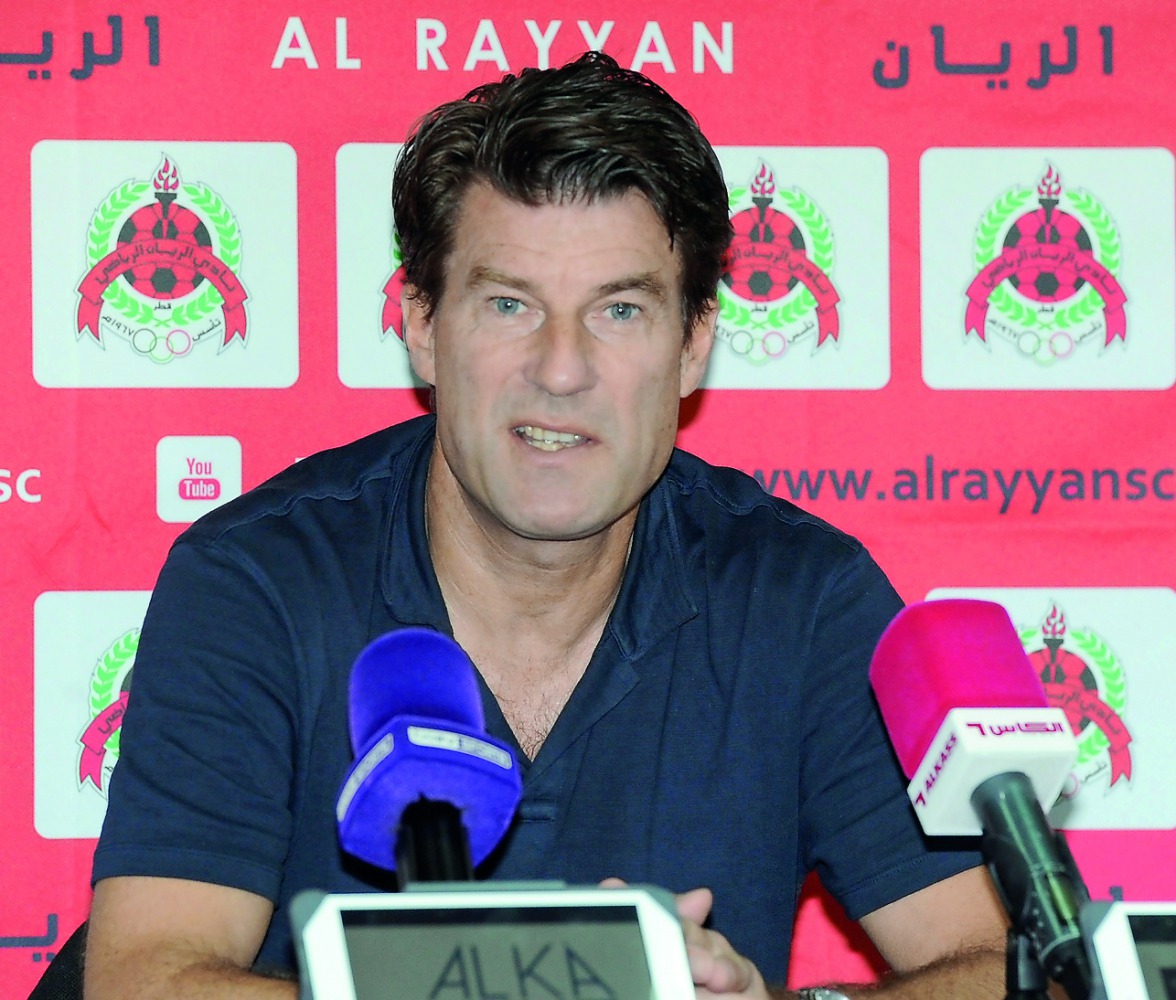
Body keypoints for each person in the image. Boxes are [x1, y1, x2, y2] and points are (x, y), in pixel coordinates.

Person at [84, 52, 1008, 999]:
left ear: (693, 343)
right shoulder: (258, 581)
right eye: (509, 304)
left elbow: (1006, 968)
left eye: (619, 310)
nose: (561, 369)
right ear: (421, 324)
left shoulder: (801, 601)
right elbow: (143, 979)